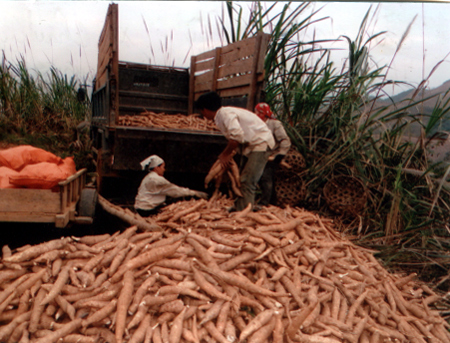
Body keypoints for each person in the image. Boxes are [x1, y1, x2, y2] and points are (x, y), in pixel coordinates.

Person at [195, 91, 275, 211]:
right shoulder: (221, 115)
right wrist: (229, 155)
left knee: (247, 181)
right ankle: (240, 207)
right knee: (240, 180)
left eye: (202, 111)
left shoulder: (226, 114)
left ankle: (244, 213)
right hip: (251, 145)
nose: (202, 114)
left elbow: (236, 136)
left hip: (261, 143)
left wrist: (225, 154)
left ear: (205, 109)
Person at [134, 155, 208, 217]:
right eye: (163, 167)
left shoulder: (148, 177)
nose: (164, 170)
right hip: (146, 210)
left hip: (140, 208)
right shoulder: (157, 180)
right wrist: (194, 193)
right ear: (156, 168)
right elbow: (175, 191)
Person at [254, 102, 291, 206]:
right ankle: (272, 202)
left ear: (263, 113)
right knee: (261, 178)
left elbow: (285, 140)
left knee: (266, 177)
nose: (255, 114)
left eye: (257, 112)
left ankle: (264, 203)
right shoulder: (257, 124)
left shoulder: (275, 124)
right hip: (261, 154)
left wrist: (280, 155)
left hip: (272, 155)